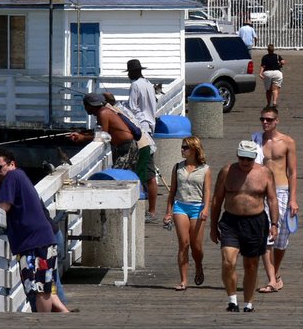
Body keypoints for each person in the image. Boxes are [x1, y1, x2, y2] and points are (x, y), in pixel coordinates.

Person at [210, 140, 278, 312]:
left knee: (251, 265)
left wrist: (275, 224)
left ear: (255, 157)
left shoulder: (265, 173)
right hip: (230, 222)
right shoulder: (227, 171)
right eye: (242, 158)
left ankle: (248, 302)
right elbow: (217, 200)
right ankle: (232, 300)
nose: (245, 162)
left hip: (255, 222)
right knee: (228, 261)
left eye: (249, 159)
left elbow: (272, 200)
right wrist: (212, 226)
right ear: (237, 156)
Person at [0, 149, 59, 312]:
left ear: (12, 164)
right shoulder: (20, 176)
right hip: (39, 240)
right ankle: (46, 321)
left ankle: (43, 324)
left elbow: (4, 206)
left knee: (39, 288)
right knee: (41, 287)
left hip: (35, 242)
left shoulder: (12, 176)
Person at [253, 104, 298, 294]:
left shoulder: (287, 142)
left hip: (281, 190)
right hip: (262, 192)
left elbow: (293, 171)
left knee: (280, 240)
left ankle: (275, 274)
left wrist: (293, 199)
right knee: (265, 237)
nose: (265, 122)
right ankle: (272, 279)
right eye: (263, 119)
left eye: (269, 119)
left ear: (276, 121)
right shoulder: (256, 140)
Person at [163, 136, 212, 291]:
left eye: (185, 147)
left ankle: (198, 266)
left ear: (194, 150)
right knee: (184, 244)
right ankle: (183, 280)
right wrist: (168, 212)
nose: (182, 150)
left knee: (196, 247)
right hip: (181, 207)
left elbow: (207, 192)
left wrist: (205, 209)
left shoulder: (205, 169)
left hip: (197, 207)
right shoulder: (178, 167)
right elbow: (172, 192)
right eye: (182, 147)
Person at [123, 58, 159, 222]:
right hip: (150, 126)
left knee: (148, 173)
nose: (129, 75)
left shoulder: (135, 85)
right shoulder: (148, 83)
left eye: (129, 72)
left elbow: (131, 109)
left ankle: (151, 212)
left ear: (134, 72)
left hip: (141, 130)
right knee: (147, 171)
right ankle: (149, 210)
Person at [69, 92, 138, 173]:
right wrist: (81, 134)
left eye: (85, 105)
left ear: (89, 105)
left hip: (126, 147)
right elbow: (100, 132)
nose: (85, 108)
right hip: (122, 146)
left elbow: (103, 136)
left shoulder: (103, 113)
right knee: (124, 176)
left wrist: (83, 138)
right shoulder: (104, 112)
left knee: (119, 176)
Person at [259, 43, 285, 108]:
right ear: (273, 50)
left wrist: (260, 73)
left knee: (268, 90)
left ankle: (268, 104)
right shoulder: (277, 56)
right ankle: (274, 102)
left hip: (267, 73)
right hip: (277, 72)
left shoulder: (265, 57)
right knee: (275, 89)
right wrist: (281, 63)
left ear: (268, 50)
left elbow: (263, 66)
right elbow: (283, 62)